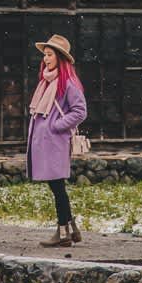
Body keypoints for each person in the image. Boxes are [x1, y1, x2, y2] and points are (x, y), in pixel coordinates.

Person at [26, 33, 87, 248]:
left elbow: (80, 112)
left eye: (50, 55)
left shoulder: (67, 83)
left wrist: (55, 127)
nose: (46, 59)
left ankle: (63, 233)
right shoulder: (47, 80)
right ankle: (71, 228)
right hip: (46, 142)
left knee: (57, 186)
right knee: (56, 186)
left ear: (59, 57)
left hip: (55, 141)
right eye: (45, 55)